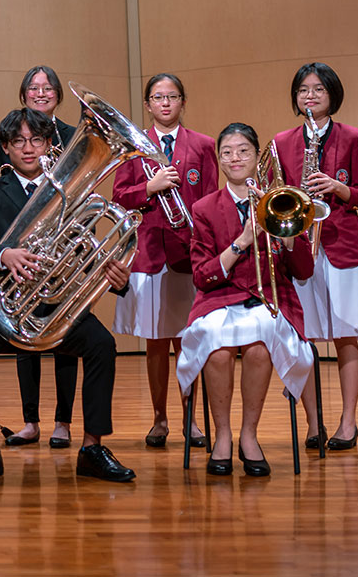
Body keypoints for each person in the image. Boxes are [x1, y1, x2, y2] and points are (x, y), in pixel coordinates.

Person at [0, 108, 135, 483]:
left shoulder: (75, 191)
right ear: (6, 148)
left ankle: (93, 448)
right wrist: (3, 254)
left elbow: (90, 248)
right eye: (19, 141)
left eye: (37, 140)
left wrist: (116, 275)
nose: (28, 148)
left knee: (102, 346)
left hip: (56, 308)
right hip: (6, 308)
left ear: (50, 145)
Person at [176, 123, 316, 477]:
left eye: (243, 151)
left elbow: (303, 271)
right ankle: (222, 436)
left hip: (268, 297)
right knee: (217, 347)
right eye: (227, 152)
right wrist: (242, 240)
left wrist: (287, 237)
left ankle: (249, 436)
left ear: (257, 157)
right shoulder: (205, 208)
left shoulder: (279, 200)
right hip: (219, 299)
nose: (235, 158)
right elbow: (201, 275)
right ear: (219, 160)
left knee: (258, 346)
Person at [273, 63, 358, 450]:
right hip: (300, 248)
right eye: (303, 90)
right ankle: (313, 422)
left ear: (332, 94)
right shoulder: (282, 141)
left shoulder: (353, 137)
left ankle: (348, 422)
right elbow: (278, 195)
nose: (311, 96)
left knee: (346, 337)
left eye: (318, 89)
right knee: (304, 339)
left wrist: (338, 186)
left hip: (341, 246)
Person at [111, 73, 217, 449]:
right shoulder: (133, 146)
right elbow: (120, 197)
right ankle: (159, 418)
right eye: (158, 97)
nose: (166, 103)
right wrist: (148, 188)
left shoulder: (203, 145)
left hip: (189, 255)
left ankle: (191, 418)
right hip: (149, 254)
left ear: (183, 102)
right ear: (148, 104)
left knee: (187, 341)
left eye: (172, 96)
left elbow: (211, 202)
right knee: (155, 342)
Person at [0, 66, 79, 448]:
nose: (40, 93)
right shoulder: (11, 132)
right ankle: (30, 420)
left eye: (47, 88)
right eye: (33, 88)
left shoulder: (75, 136)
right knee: (23, 335)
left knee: (64, 334)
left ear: (57, 94)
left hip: (62, 241)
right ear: (24, 94)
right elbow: (0, 176)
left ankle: (63, 421)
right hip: (25, 242)